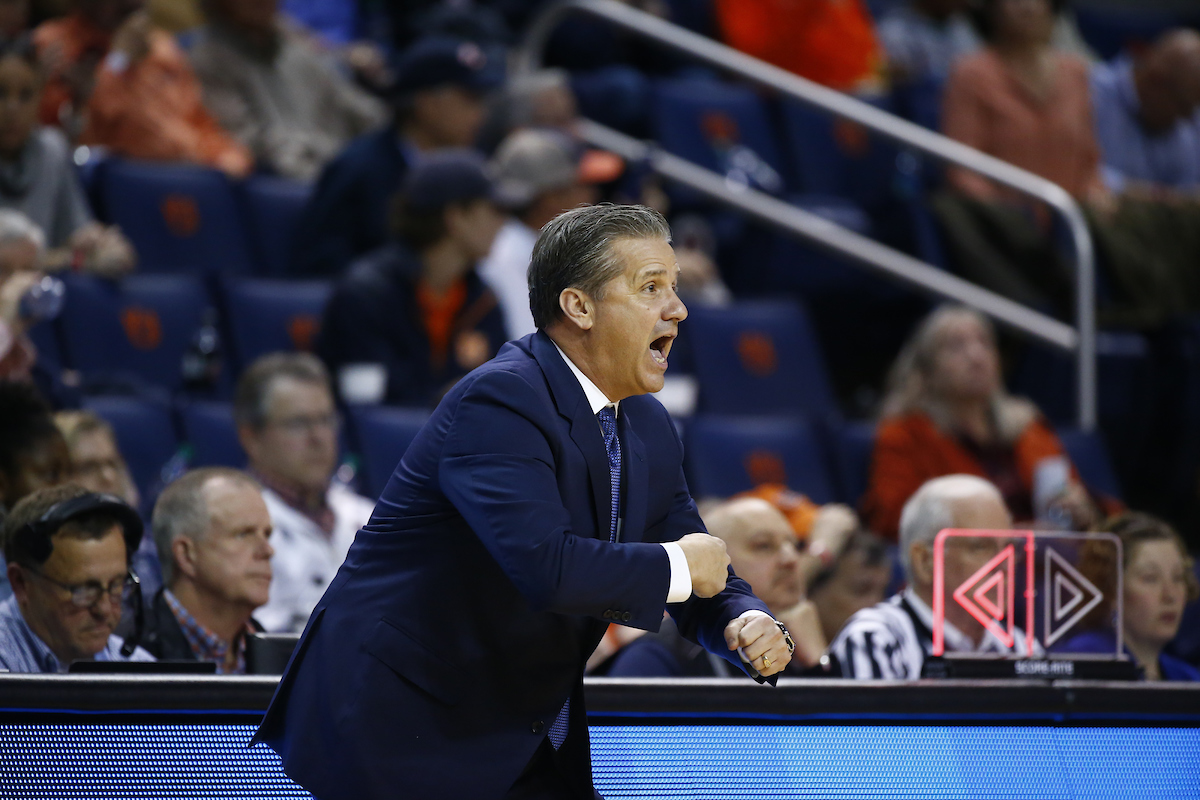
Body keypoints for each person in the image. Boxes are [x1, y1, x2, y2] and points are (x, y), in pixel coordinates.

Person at [254, 204, 796, 799]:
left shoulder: (646, 422)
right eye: (650, 287)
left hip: (517, 720)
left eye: (674, 286)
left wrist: (741, 618)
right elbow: (549, 567)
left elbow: (691, 554)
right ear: (579, 307)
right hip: (405, 721)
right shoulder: (501, 401)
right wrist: (682, 566)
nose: (678, 308)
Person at [861, 305, 1111, 540]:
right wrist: (1001, 532)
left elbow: (1081, 499)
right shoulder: (905, 434)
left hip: (1049, 560)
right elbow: (893, 521)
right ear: (927, 372)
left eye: (984, 342)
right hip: (970, 570)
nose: (976, 356)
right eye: (956, 346)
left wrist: (1084, 511)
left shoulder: (1029, 425)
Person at [290, 35, 501, 278]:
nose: (481, 116)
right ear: (426, 103)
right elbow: (320, 266)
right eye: (470, 100)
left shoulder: (471, 169)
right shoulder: (358, 170)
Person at [317, 150, 509, 407]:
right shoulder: (366, 294)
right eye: (495, 210)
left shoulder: (484, 299)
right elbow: (365, 405)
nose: (503, 222)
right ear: (456, 218)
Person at [609, 497, 882, 676]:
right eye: (764, 546)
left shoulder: (805, 641)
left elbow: (838, 754)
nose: (791, 559)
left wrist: (817, 664)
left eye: (794, 545)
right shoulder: (657, 657)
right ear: (715, 562)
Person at [831, 474, 1038, 678]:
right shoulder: (875, 640)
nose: (1004, 565)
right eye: (980, 547)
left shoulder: (1022, 648)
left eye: (1010, 548)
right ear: (925, 562)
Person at [233, 352, 373, 633]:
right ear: (251, 437)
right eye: (298, 423)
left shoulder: (369, 515)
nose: (318, 437)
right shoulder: (232, 524)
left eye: (325, 420)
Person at [187, 0, 386, 182]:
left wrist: (394, 142)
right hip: (290, 187)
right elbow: (251, 142)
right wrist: (334, 175)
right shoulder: (209, 61)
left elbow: (353, 104)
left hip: (343, 170)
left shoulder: (295, 40)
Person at [0, 35, 134, 273]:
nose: (12, 109)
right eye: (1, 94)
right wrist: (68, 260)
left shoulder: (52, 149)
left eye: (25, 95)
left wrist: (99, 246)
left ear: (40, 97)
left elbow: (78, 233)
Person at [76, 3, 253, 176]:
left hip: (188, 170)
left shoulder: (162, 48)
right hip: (127, 176)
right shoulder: (70, 46)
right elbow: (98, 118)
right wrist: (121, 58)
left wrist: (220, 151)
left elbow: (196, 114)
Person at [480, 128, 621, 340]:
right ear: (550, 196)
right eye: (580, 185)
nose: (593, 195)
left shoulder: (541, 246)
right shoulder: (507, 255)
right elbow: (528, 343)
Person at [0, 484, 153, 671]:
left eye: (116, 584)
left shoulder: (137, 668)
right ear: (21, 583)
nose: (104, 610)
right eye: (83, 589)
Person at [142, 468, 273, 673]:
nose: (268, 550)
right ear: (186, 555)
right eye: (243, 534)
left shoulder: (279, 656)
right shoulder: (134, 655)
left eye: (267, 534)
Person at [1061, 513, 1200, 681]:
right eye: (1150, 578)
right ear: (1110, 589)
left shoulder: (1188, 679)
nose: (1170, 595)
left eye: (1178, 577)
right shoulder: (1080, 665)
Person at [1090, 29, 1200, 195]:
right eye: (1183, 107)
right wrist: (1152, 195)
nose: (1188, 120)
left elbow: (1189, 189)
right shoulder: (1090, 94)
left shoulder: (1189, 116)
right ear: (1156, 80)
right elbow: (1075, 172)